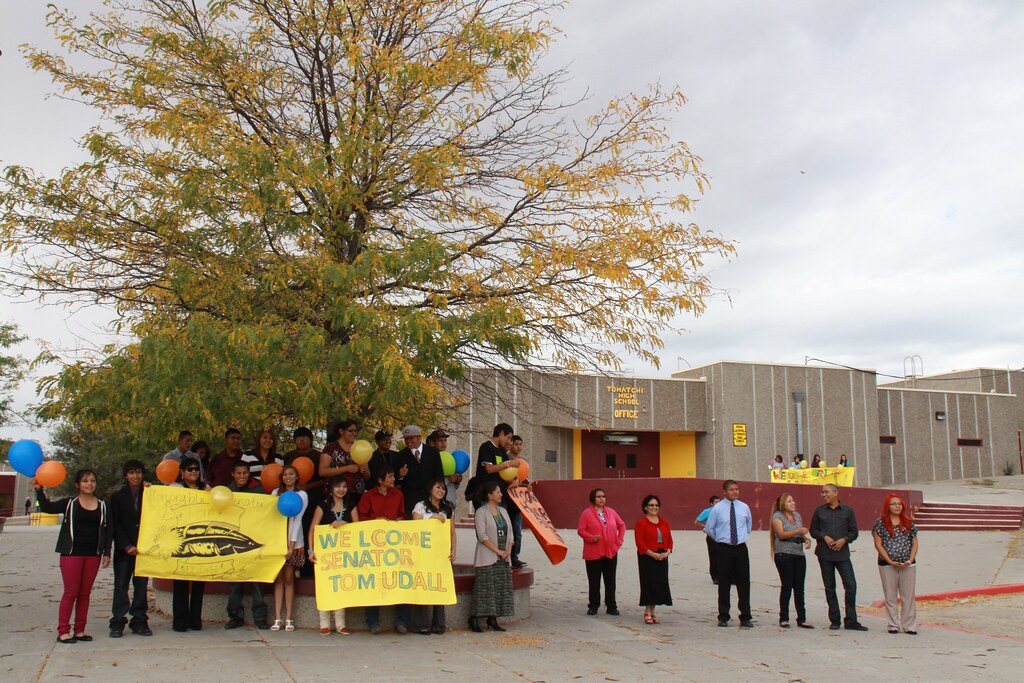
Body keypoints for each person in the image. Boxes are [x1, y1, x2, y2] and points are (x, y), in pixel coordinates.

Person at [34, 469, 111, 643]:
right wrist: (39, 490)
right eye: (85, 481)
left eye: (92, 480)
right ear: (77, 485)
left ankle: (80, 630)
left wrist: (106, 552)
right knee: (71, 593)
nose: (89, 484)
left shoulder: (103, 505)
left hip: (93, 555)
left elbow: (107, 530)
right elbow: (46, 507)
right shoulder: (69, 503)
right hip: (71, 554)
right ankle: (63, 631)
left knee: (85, 594)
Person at [357, 467, 408, 634]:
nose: (394, 478)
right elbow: (361, 518)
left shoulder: (398, 495)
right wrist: (376, 521)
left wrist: (398, 521)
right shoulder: (368, 496)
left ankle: (402, 621)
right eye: (391, 475)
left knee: (399, 581)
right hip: (374, 547)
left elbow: (402, 515)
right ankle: (373, 622)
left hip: (394, 545)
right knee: (374, 582)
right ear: (380, 480)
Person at [810, 484, 868, 631]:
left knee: (850, 585)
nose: (824, 495)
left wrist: (845, 539)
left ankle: (851, 620)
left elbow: (854, 531)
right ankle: (834, 619)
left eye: (826, 492)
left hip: (842, 554)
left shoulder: (847, 511)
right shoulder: (819, 511)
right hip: (824, 554)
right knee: (830, 587)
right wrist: (824, 537)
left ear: (836, 493)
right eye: (822, 493)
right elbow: (813, 530)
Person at [308, 475, 358, 635]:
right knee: (325, 586)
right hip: (325, 554)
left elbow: (359, 528)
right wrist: (311, 550)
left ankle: (340, 624)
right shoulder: (322, 506)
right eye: (338, 486)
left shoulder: (351, 506)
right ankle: (324, 623)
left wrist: (345, 523)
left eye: (344, 486)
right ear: (331, 488)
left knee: (341, 586)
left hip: (345, 554)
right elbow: (312, 529)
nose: (341, 489)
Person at [108, 459, 152, 638]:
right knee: (121, 586)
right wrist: (126, 545)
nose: (136, 476)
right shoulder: (117, 497)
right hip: (124, 550)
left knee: (141, 586)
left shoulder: (150, 494)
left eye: (139, 472)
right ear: (126, 476)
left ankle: (139, 621)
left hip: (143, 550)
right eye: (132, 472)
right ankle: (118, 621)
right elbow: (115, 525)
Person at [225, 461, 269, 629]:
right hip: (233, 542)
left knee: (257, 581)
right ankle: (235, 617)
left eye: (245, 473)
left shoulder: (259, 490)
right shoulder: (227, 491)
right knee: (235, 582)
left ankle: (260, 618)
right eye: (239, 473)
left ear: (249, 473)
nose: (242, 476)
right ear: (233, 474)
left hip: (255, 541)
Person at [412, 478, 457, 634]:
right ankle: (420, 624)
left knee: (440, 586)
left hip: (441, 554)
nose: (441, 491)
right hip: (424, 553)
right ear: (430, 489)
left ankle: (439, 624)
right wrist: (431, 519)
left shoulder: (448, 508)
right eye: (438, 487)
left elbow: (452, 531)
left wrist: (454, 550)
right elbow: (415, 528)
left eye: (443, 488)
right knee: (423, 585)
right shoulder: (421, 506)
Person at [705, 480, 753, 628]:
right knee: (724, 582)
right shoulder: (717, 508)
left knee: (743, 583)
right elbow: (709, 529)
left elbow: (748, 527)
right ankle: (723, 616)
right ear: (724, 492)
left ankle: (745, 616)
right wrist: (721, 539)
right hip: (724, 548)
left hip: (740, 548)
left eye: (737, 489)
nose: (735, 492)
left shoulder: (744, 507)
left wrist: (739, 538)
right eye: (731, 490)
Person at [170, 456, 209, 631]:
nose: (193, 472)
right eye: (190, 469)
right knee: (181, 581)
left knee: (199, 581)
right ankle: (180, 620)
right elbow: (159, 501)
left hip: (201, 538)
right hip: (181, 539)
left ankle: (195, 619)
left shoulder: (207, 489)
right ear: (182, 472)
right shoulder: (174, 488)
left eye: (196, 469)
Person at [469, 480, 514, 632]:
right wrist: (498, 551)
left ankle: (492, 620)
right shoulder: (481, 512)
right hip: (488, 556)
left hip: (503, 558)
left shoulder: (504, 511)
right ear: (490, 495)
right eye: (498, 492)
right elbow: (482, 536)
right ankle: (473, 619)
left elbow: (511, 533)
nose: (501, 494)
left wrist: (507, 550)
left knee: (499, 589)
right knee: (484, 590)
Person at [872, 493, 919, 634]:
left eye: (899, 503)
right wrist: (890, 560)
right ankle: (893, 624)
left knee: (908, 596)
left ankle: (909, 625)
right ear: (888, 506)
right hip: (887, 564)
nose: (897, 506)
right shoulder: (880, 523)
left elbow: (915, 543)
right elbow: (878, 544)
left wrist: (910, 559)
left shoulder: (908, 522)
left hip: (907, 564)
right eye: (894, 503)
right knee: (890, 595)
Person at [577, 488, 626, 616]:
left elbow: (622, 525)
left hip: (611, 552)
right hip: (594, 552)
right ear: (593, 498)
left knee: (610, 580)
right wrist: (591, 538)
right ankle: (593, 605)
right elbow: (581, 530)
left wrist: (619, 540)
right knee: (594, 581)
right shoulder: (586, 513)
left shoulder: (611, 512)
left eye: (603, 496)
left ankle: (611, 605)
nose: (601, 498)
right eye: (599, 496)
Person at [270, 465, 307, 632]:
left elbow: (297, 520)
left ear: (297, 476)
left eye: (291, 474)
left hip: (294, 542)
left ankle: (289, 618)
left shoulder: (302, 495)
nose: (288, 477)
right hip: (277, 541)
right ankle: (277, 617)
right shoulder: (275, 493)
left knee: (289, 578)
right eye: (285, 474)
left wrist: (291, 545)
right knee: (277, 580)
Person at [770, 492, 813, 629]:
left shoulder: (797, 516)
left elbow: (801, 534)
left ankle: (802, 618)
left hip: (798, 554)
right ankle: (784, 617)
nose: (793, 503)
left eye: (793, 501)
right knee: (787, 585)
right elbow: (781, 534)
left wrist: (806, 539)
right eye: (789, 501)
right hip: (784, 554)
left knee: (799, 588)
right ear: (783, 504)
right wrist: (798, 531)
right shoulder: (777, 517)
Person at [635, 494, 672, 624]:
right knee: (649, 583)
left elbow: (669, 540)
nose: (654, 507)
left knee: (659, 583)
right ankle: (647, 611)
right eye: (651, 505)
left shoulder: (664, 522)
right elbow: (640, 542)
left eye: (656, 505)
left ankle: (653, 611)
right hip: (647, 557)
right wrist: (652, 554)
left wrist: (667, 552)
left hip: (662, 557)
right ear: (645, 507)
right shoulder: (641, 523)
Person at [392, 424, 443, 519]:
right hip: (410, 502)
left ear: (419, 437)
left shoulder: (433, 453)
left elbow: (439, 476)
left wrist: (438, 495)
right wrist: (399, 474)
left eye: (411, 438)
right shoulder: (401, 455)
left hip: (430, 499)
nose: (408, 441)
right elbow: (394, 479)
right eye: (406, 439)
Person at [321, 419, 370, 497]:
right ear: (341, 431)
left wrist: (363, 470)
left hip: (357, 494)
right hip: (336, 494)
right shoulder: (331, 447)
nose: (353, 434)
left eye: (355, 431)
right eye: (350, 431)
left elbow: (367, 476)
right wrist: (346, 468)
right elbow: (322, 471)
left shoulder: (360, 447)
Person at [505, 434, 529, 568]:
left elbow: (524, 480)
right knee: (508, 530)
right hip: (506, 500)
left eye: (521, 444)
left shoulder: (522, 462)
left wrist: (527, 486)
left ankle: (515, 557)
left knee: (517, 531)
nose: (519, 447)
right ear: (511, 444)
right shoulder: (506, 459)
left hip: (518, 502)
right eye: (516, 444)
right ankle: (507, 556)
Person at [426, 429, 462, 508]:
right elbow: (429, 483)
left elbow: (453, 486)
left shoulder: (449, 458)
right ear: (432, 443)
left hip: (451, 503)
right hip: (437, 506)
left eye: (445, 440)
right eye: (440, 441)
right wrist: (448, 480)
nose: (443, 443)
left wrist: (457, 480)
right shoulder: (429, 459)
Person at [694, 495, 720, 584]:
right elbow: (697, 522)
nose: (718, 504)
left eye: (719, 502)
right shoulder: (708, 511)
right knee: (714, 557)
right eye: (716, 502)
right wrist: (707, 527)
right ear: (711, 503)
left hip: (722, 537)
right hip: (712, 537)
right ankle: (715, 577)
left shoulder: (722, 511)